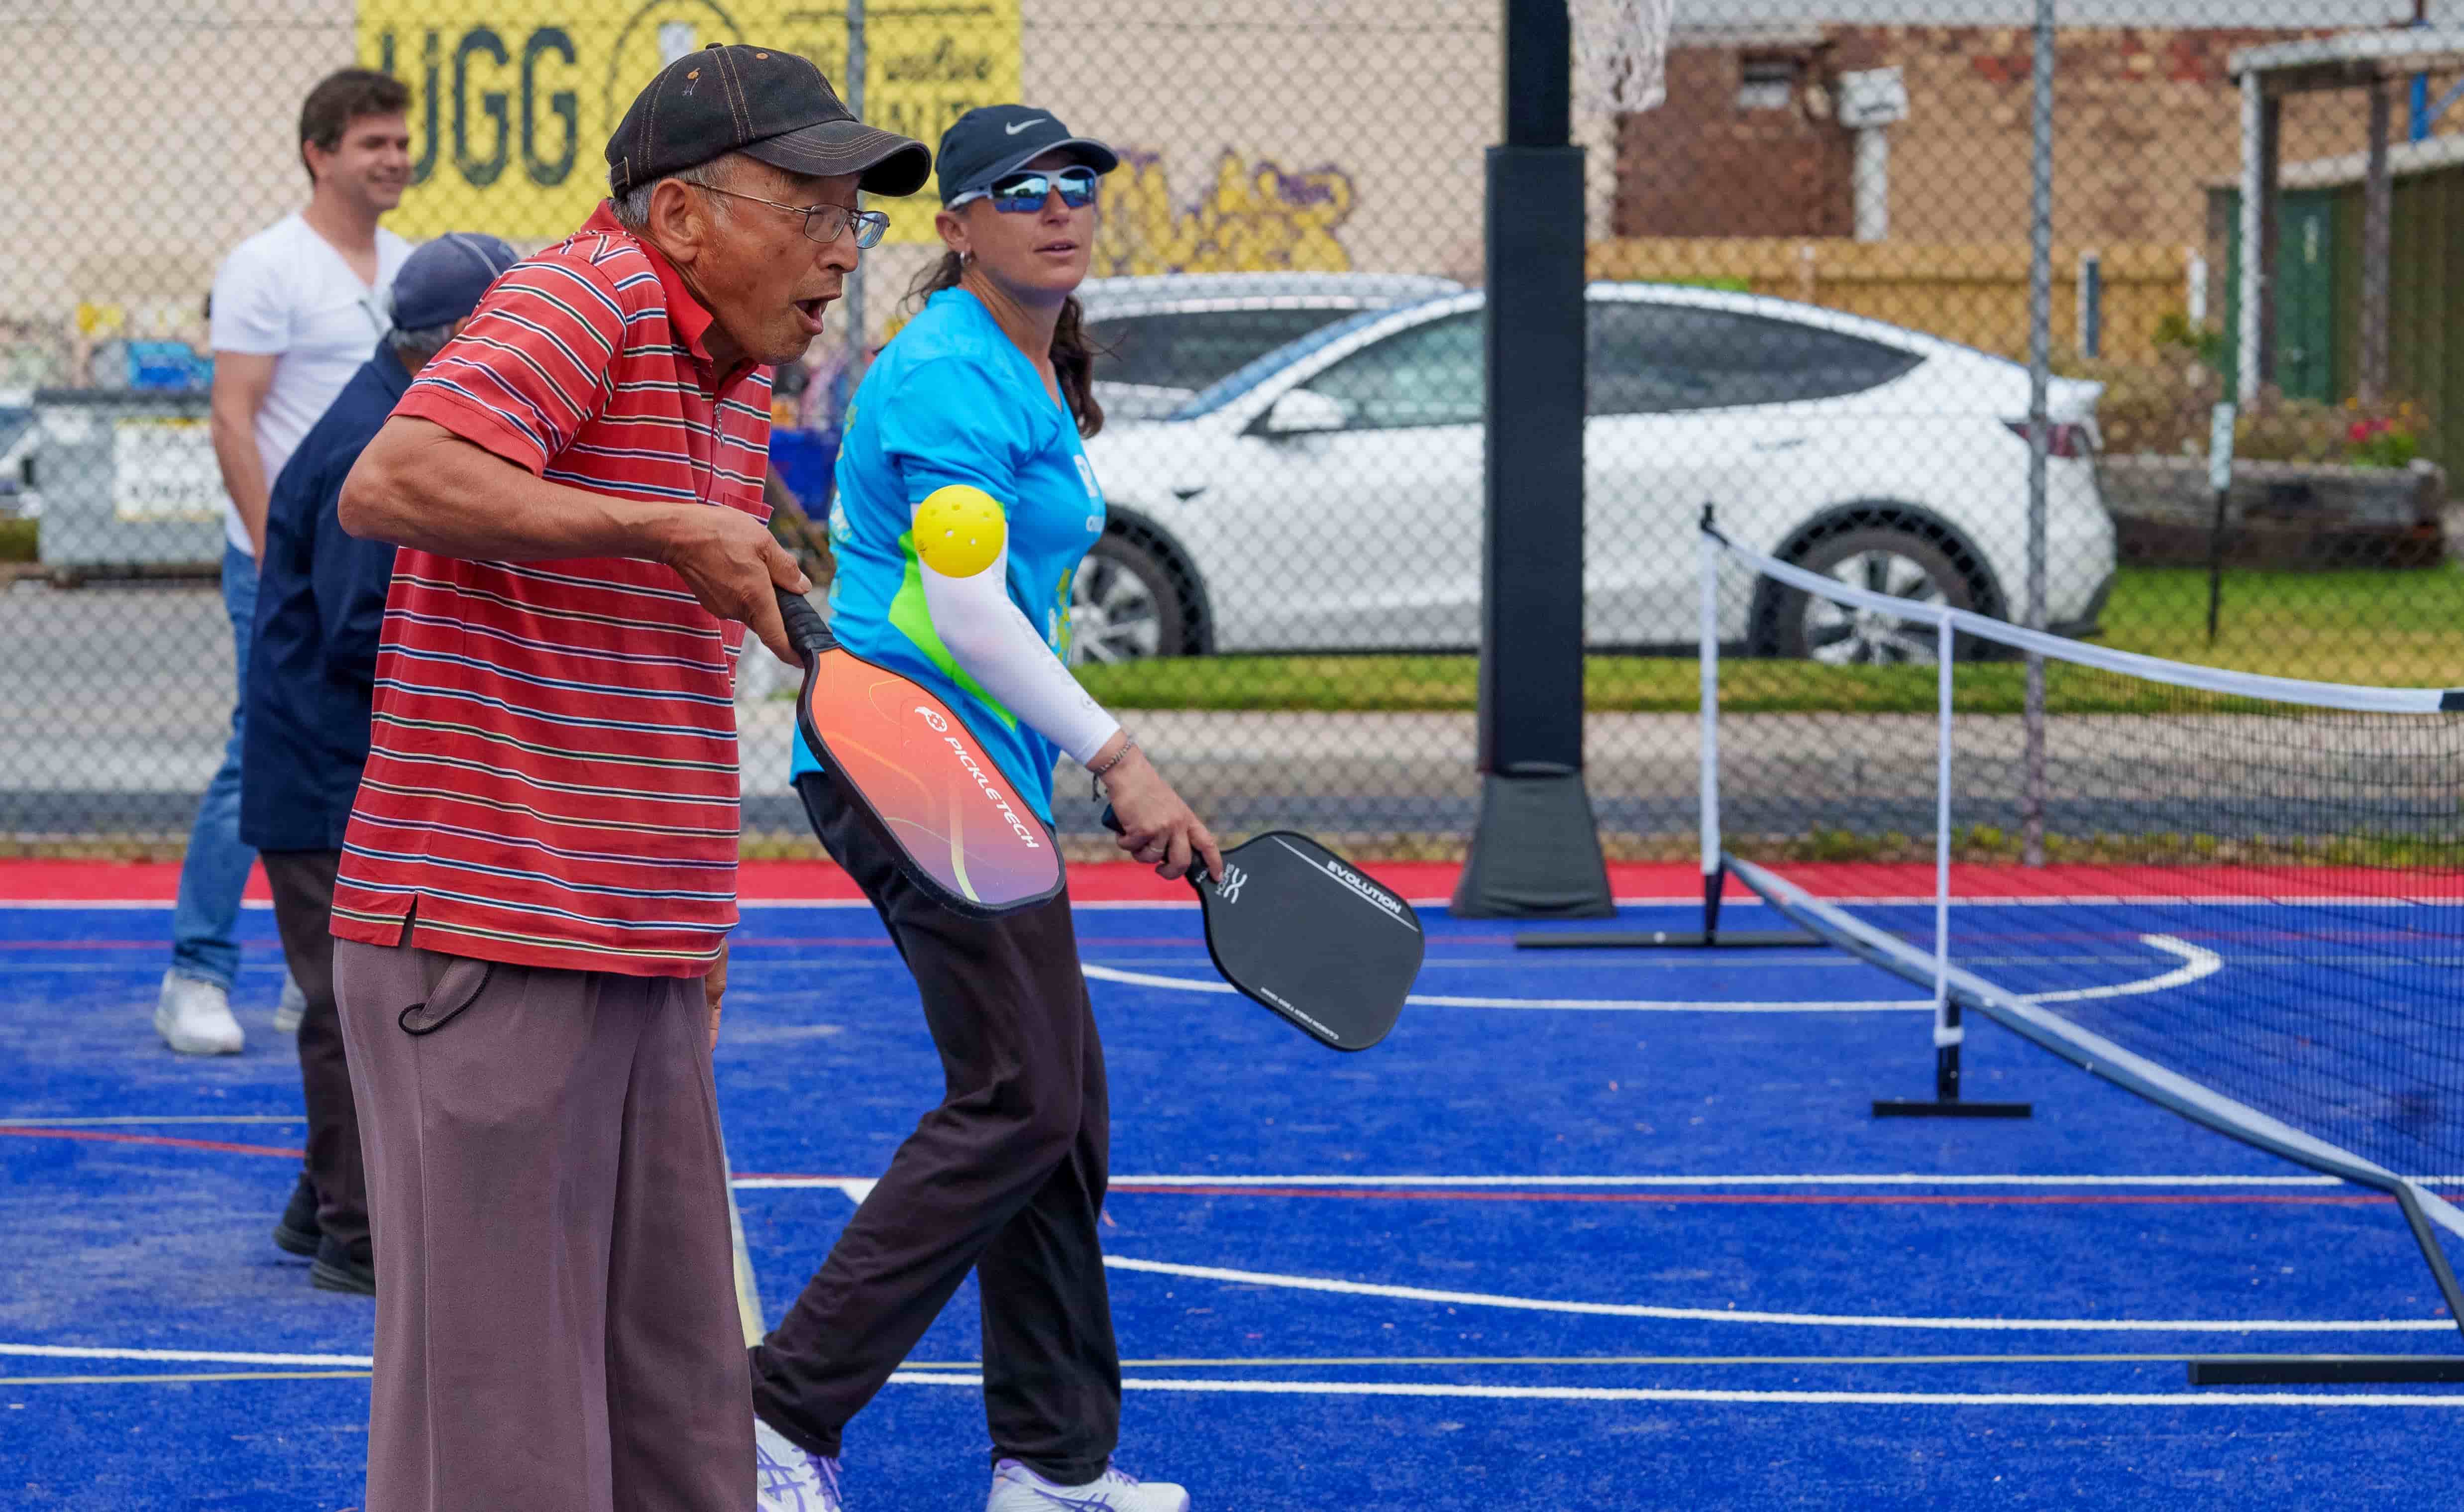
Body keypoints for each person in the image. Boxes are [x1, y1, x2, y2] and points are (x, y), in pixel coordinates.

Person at [329, 44, 925, 1511]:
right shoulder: (583, 293)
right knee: (504, 1437)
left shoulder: (734, 366)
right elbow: (391, 480)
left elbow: (662, 673)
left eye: (860, 217)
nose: (844, 251)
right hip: (490, 939)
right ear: (681, 216)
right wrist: (663, 528)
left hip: (637, 938)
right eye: (813, 208)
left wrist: (698, 921)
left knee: (678, 1408)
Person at [747, 105, 1216, 1512]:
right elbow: (962, 610)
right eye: (1023, 191)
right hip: (906, 750)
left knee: (1060, 1111)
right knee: (1019, 1097)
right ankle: (775, 1414)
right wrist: (1120, 753)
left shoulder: (1024, 360)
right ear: (958, 227)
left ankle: (1054, 1463)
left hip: (975, 764)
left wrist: (1073, 752)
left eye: (1080, 183)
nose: (1061, 207)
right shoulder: (947, 371)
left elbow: (1003, 610)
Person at [237, 233, 521, 1297]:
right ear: (454, 342)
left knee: (351, 990)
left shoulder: (382, 413)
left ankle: (323, 1198)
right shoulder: (379, 439)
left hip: (319, 758)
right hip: (325, 773)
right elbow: (371, 627)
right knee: (353, 999)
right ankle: (359, 1230)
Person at [166, 67, 414, 1055]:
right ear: (320, 153)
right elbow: (234, 420)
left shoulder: (407, 267)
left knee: (370, 762)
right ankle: (197, 968)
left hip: (375, 566)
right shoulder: (266, 265)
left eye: (399, 141)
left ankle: (325, 965)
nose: (394, 158)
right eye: (372, 144)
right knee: (256, 759)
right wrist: (281, 563)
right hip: (281, 565)